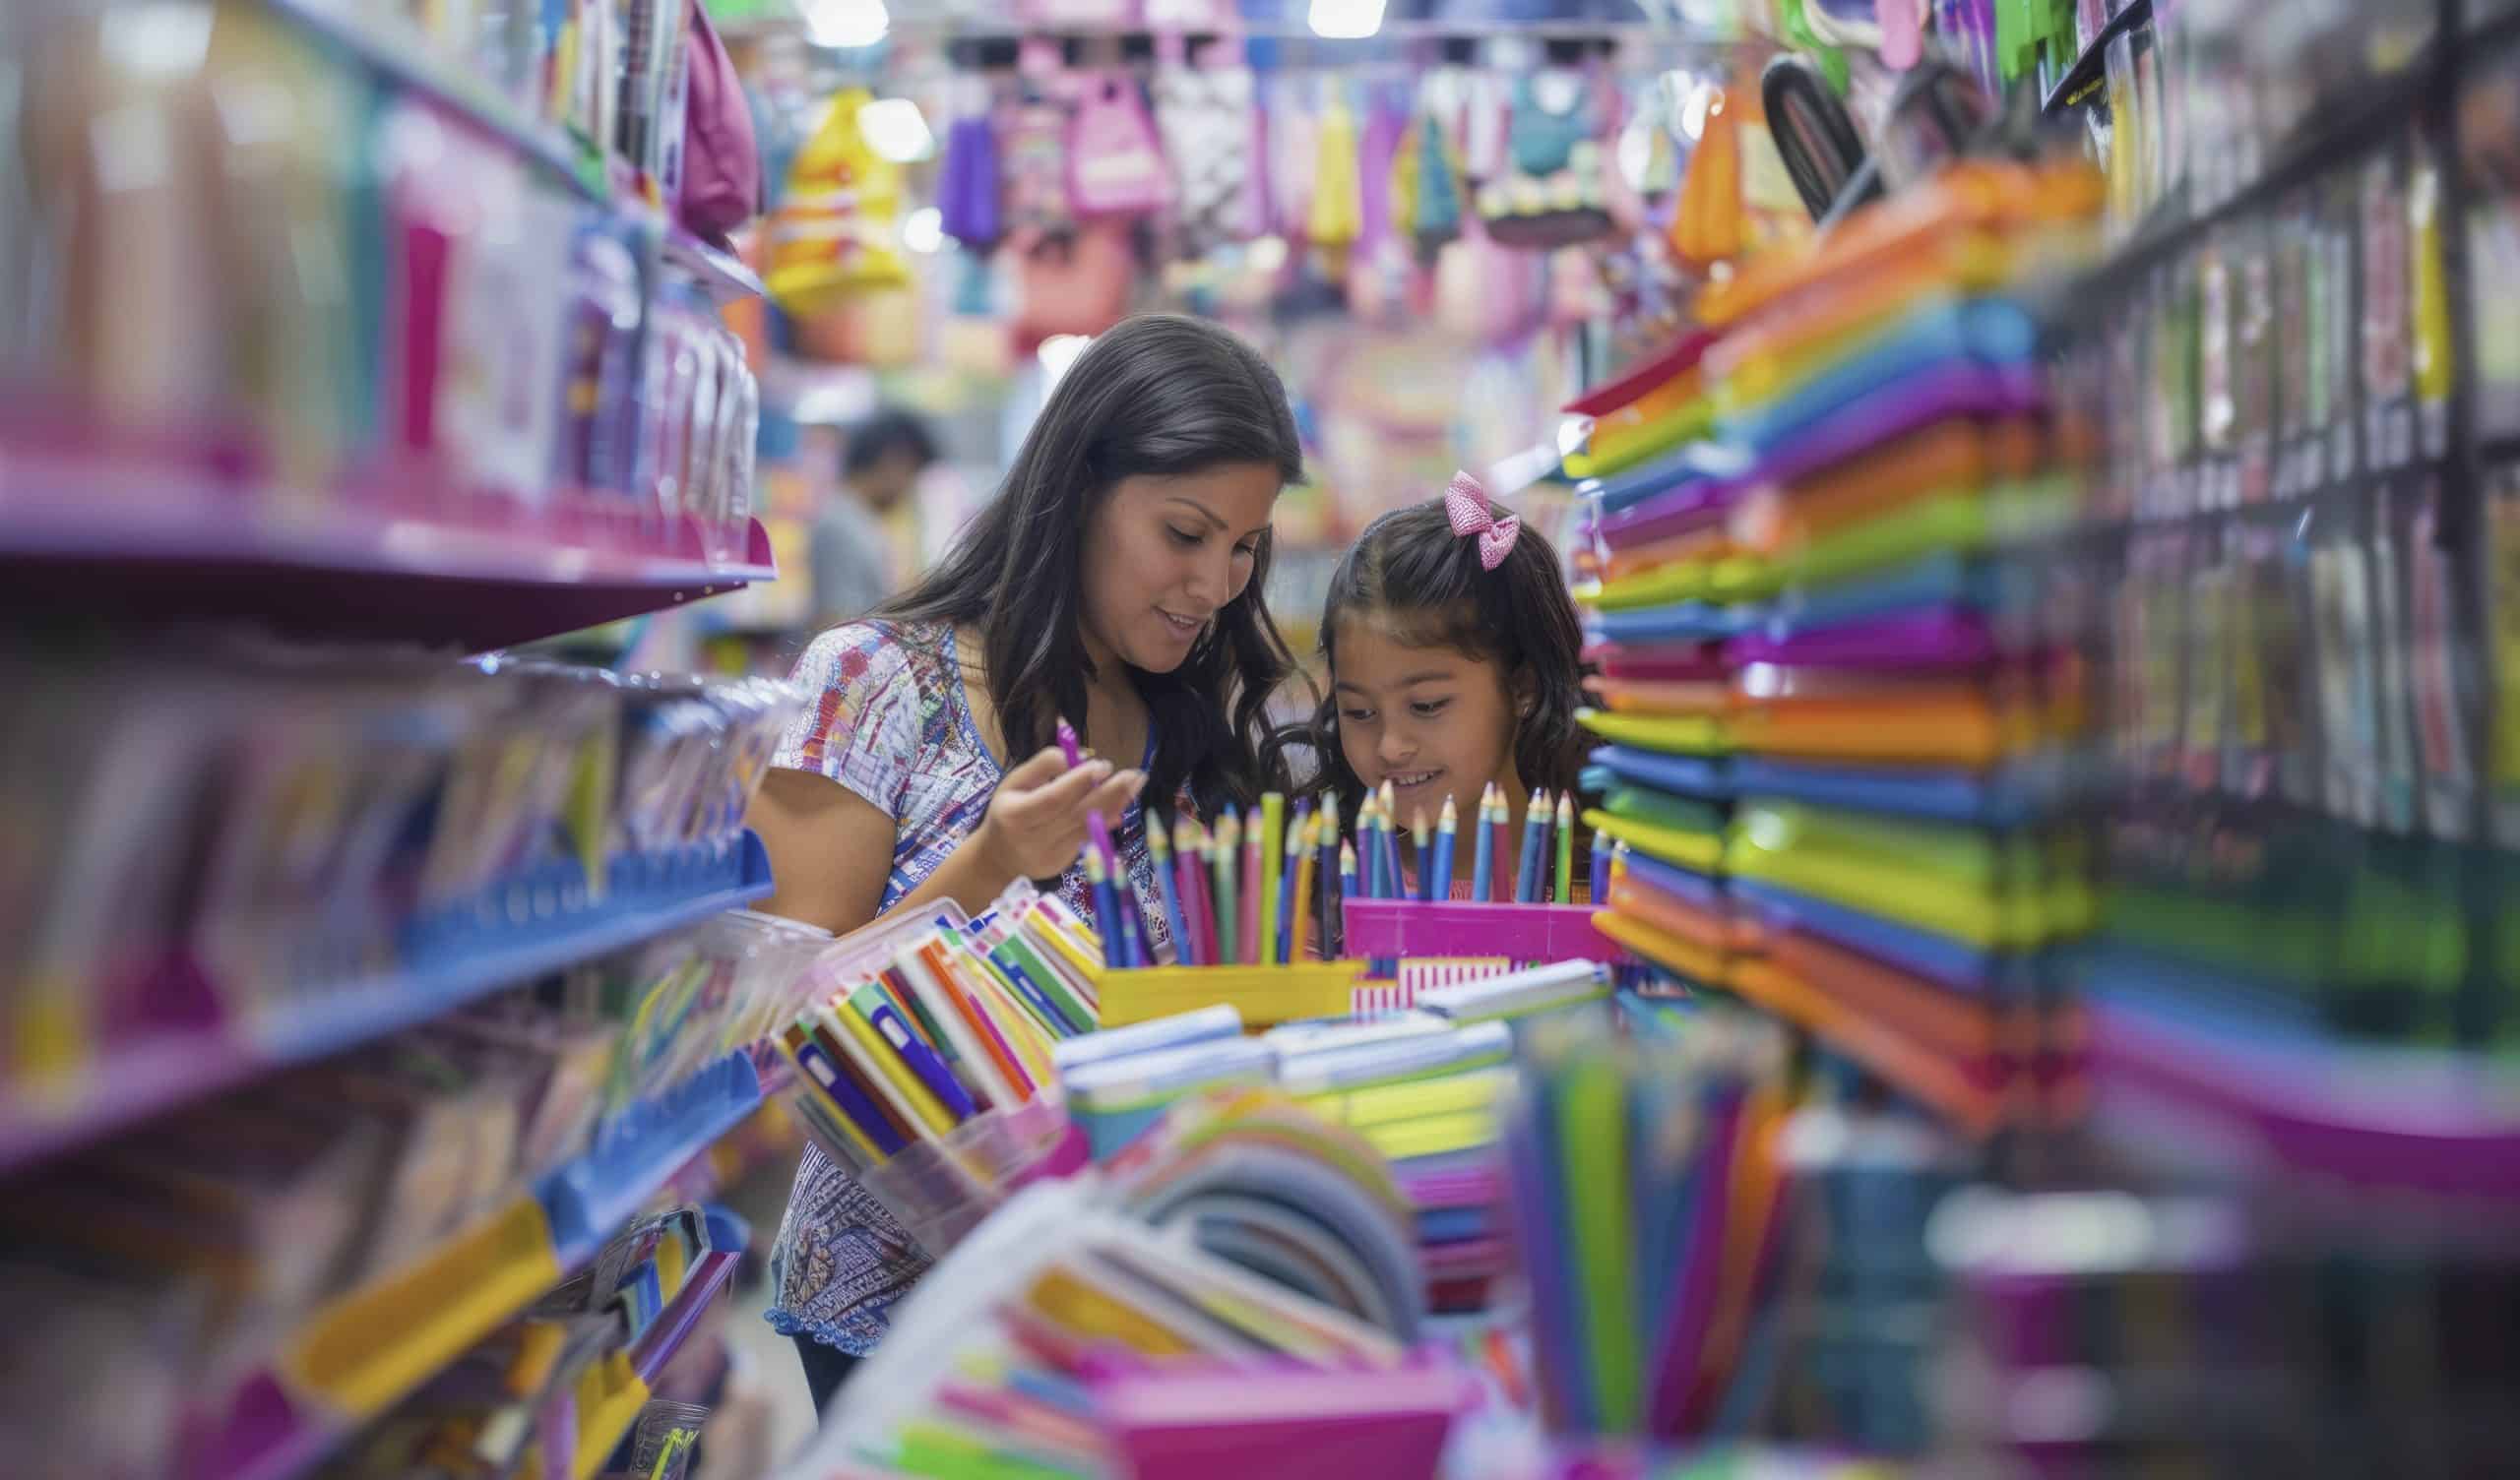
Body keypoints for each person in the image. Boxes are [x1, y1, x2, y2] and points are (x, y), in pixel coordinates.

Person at [749, 315, 1305, 1409]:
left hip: (1116, 1296)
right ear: (1080, 487)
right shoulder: (872, 678)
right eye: (1183, 533)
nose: (1215, 585)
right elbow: (773, 1027)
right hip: (893, 1309)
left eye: (1244, 546)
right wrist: (988, 864)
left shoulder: (1188, 724)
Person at [1292, 472, 1591, 895]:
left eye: (1427, 706)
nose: (1390, 747)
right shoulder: (1329, 886)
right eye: (1359, 712)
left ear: (1522, 687)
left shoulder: (1602, 882)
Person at [809, 407, 940, 624]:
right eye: (913, 474)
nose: (910, 490)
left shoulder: (857, 520)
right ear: (894, 461)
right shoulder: (840, 526)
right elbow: (836, 617)